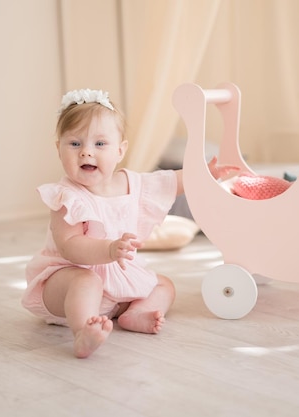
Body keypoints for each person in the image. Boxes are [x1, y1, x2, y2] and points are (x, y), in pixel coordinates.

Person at [21, 88, 237, 358]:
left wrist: (207, 173)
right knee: (85, 280)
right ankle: (83, 332)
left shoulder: (133, 183)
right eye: (75, 143)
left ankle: (135, 314)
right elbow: (70, 246)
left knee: (164, 285)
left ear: (120, 150)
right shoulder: (67, 196)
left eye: (100, 144)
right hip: (66, 286)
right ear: (58, 148)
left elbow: (172, 181)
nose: (86, 152)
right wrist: (110, 250)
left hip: (116, 285)